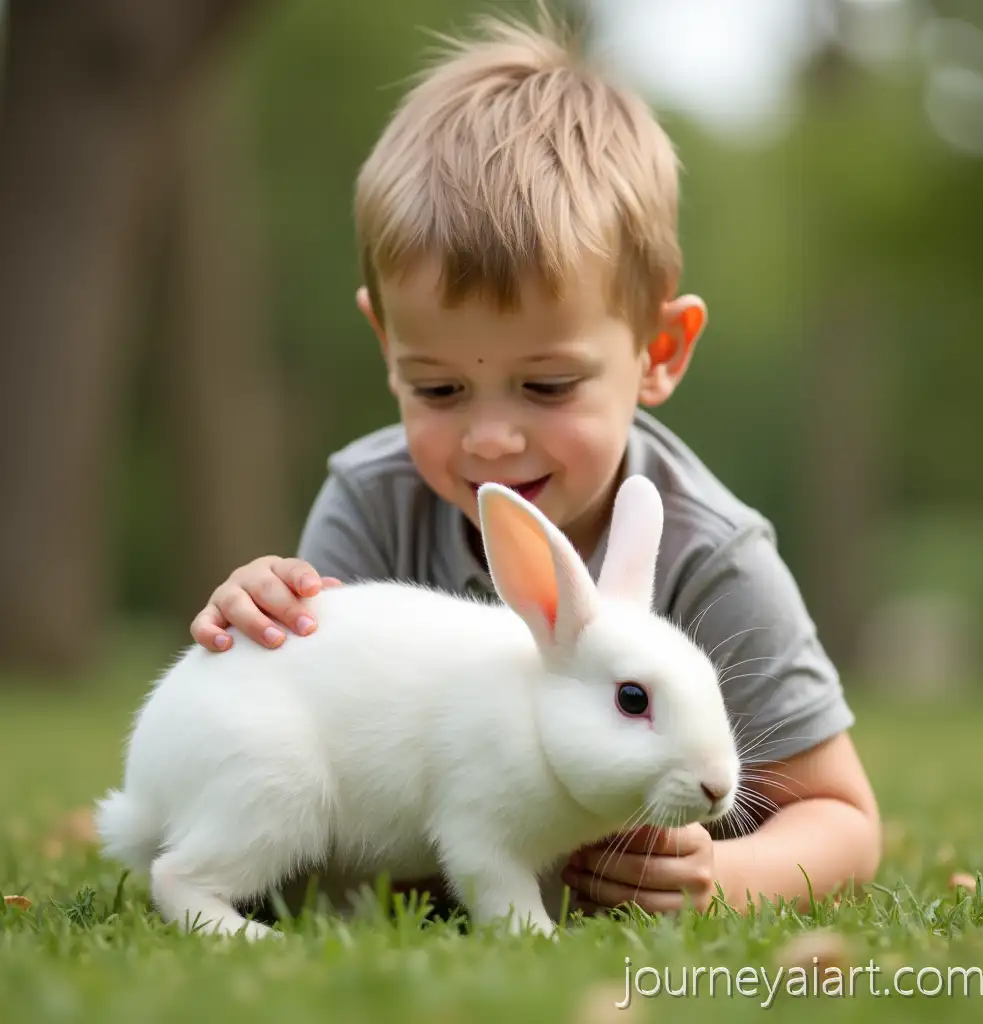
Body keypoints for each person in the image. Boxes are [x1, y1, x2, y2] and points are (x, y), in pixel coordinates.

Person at [189, 4, 881, 921]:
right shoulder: (373, 496)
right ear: (384, 344)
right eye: (438, 390)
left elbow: (843, 817)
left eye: (547, 386)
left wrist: (723, 880)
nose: (488, 442)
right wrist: (258, 617)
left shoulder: (714, 554)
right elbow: (319, 707)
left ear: (660, 351)